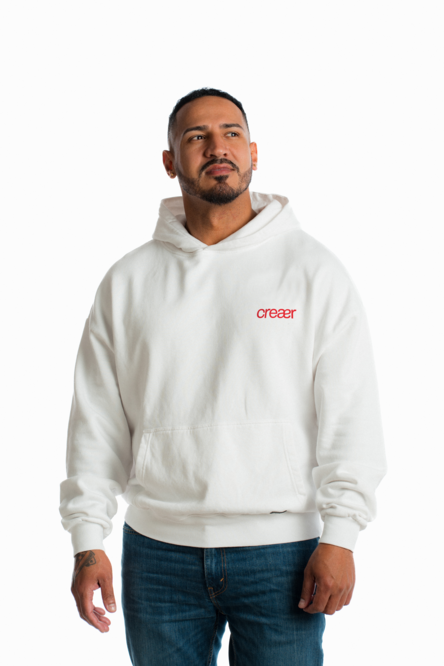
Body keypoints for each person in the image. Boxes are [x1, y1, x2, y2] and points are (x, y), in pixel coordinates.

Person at [60, 87, 388, 665]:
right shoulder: (128, 282)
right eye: (197, 136)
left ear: (253, 152)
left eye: (232, 133)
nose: (218, 147)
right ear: (170, 162)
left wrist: (341, 535)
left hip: (282, 554)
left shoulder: (313, 272)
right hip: (158, 555)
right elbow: (96, 422)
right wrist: (88, 541)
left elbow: (351, 414)